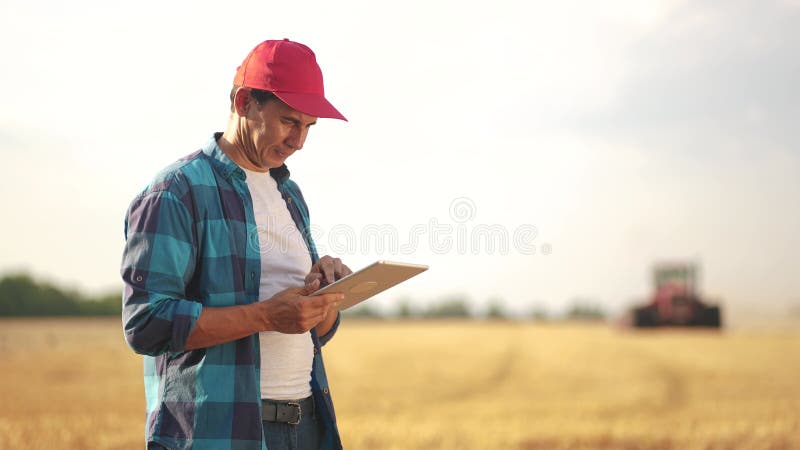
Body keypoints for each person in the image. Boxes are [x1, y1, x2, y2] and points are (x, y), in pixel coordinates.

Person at [121, 39, 351, 450]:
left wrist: (326, 297)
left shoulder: (290, 194)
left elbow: (313, 332)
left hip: (307, 425)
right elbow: (146, 323)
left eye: (308, 128)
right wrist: (265, 315)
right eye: (289, 121)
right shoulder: (175, 192)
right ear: (245, 102)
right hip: (220, 433)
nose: (299, 141)